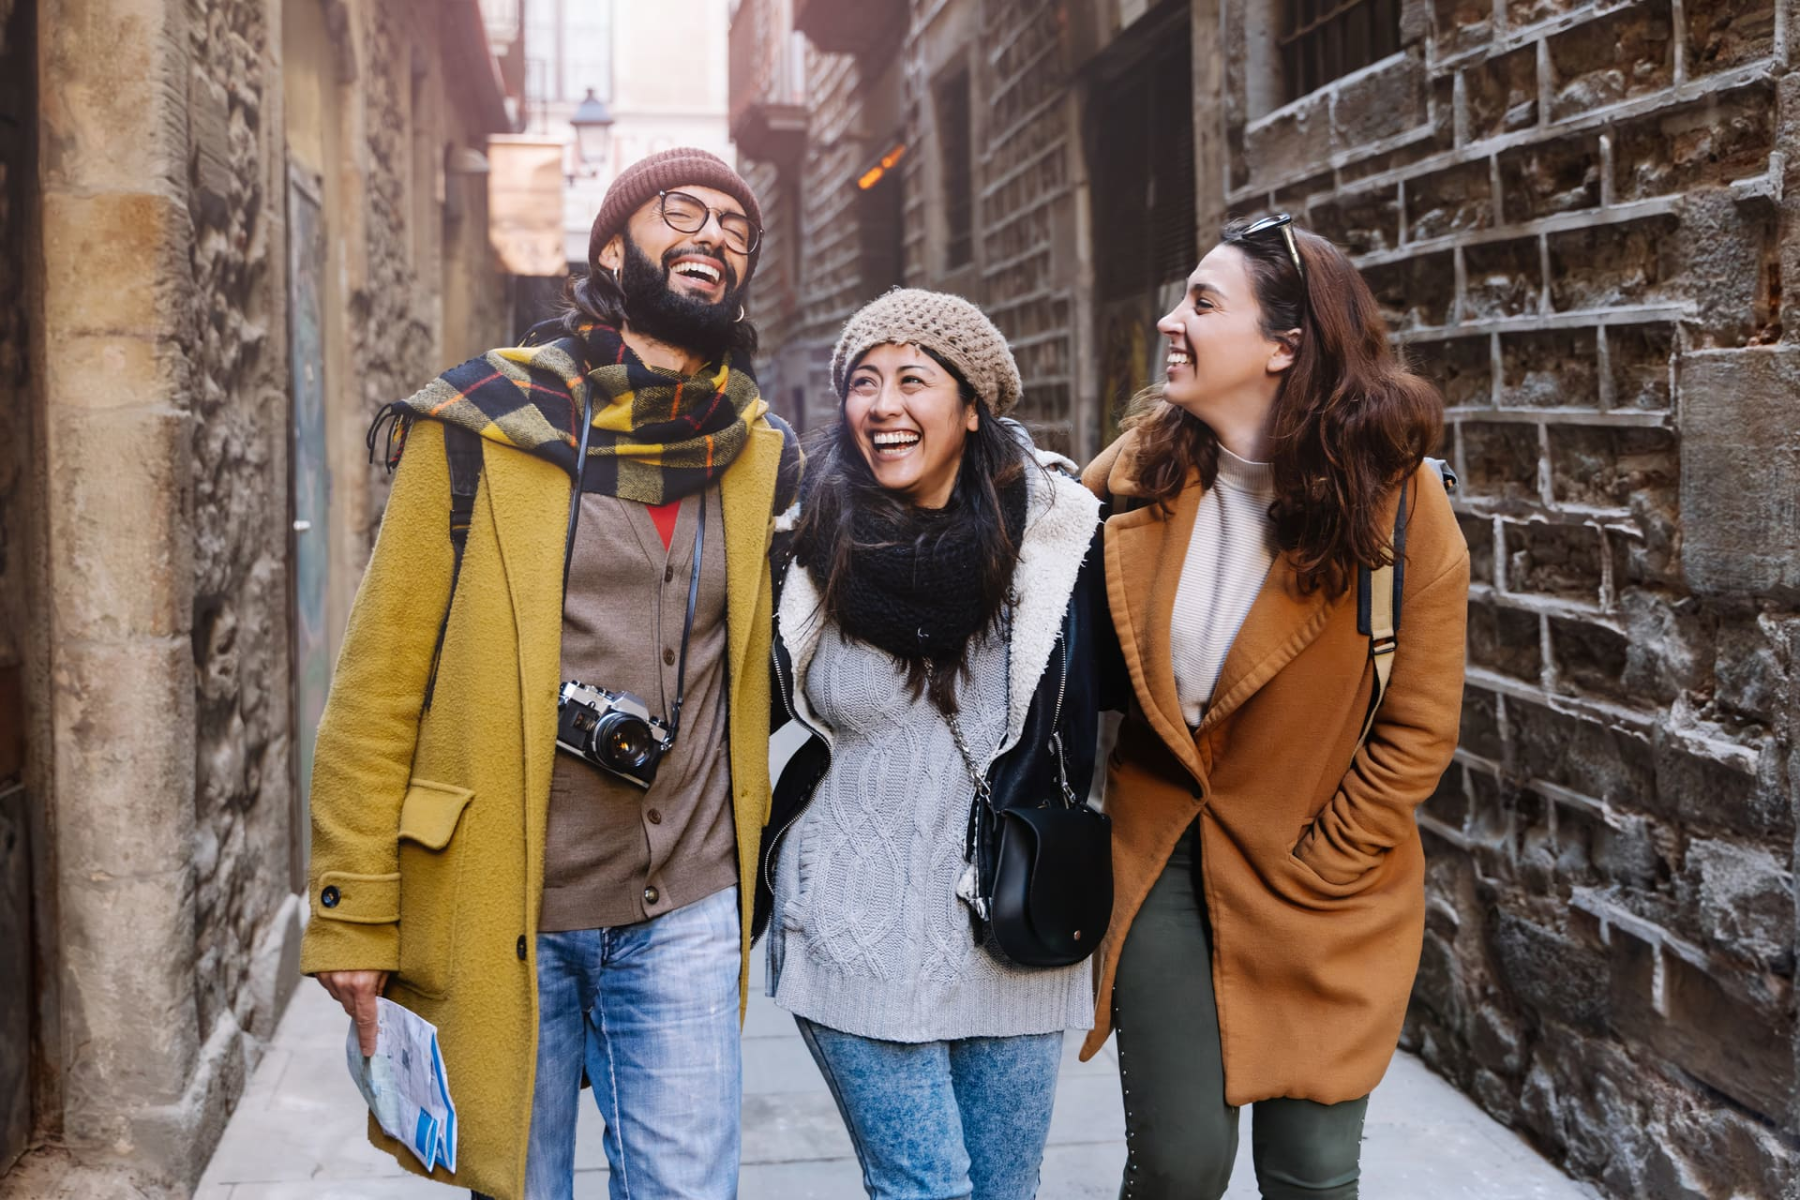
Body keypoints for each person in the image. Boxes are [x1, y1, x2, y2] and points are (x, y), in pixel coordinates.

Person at [299, 147, 801, 1200]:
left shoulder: (758, 453)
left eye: (737, 230)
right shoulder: (488, 426)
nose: (714, 236)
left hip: (687, 903)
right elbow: (381, 680)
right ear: (614, 247)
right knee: (517, 1184)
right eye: (684, 213)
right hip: (508, 894)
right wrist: (353, 908)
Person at [1079, 215, 1470, 1200]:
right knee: (1177, 1166)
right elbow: (1019, 597)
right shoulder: (1134, 479)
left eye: (1203, 304)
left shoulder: (1405, 505)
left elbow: (1419, 727)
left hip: (1325, 876)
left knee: (1311, 1174)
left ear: (1284, 345)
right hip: (1164, 853)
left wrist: (1327, 856)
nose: (1170, 321)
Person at [757, 288, 1111, 1200]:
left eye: (913, 380)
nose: (883, 406)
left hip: (1010, 921)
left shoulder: (1057, 534)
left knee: (1003, 1191)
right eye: (863, 383)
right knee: (925, 1189)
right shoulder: (802, 542)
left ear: (973, 403)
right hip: (849, 921)